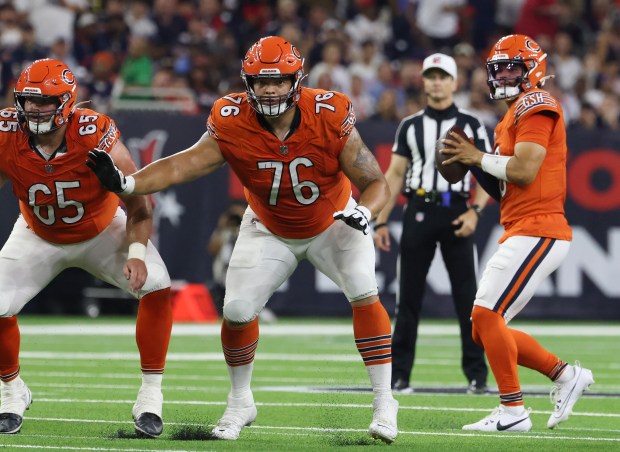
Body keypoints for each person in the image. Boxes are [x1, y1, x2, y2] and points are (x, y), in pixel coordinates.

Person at [87, 36, 399, 443]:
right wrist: (130, 182)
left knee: (363, 290)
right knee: (235, 309)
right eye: (261, 81)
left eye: (279, 80)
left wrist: (365, 212)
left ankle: (383, 402)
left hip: (333, 219)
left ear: (296, 81)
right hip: (269, 225)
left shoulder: (329, 111)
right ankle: (240, 401)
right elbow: (187, 164)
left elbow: (375, 181)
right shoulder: (231, 116)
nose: (270, 89)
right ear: (247, 82)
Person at [0, 59, 172, 438]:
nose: (32, 110)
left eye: (44, 102)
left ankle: (150, 396)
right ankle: (12, 391)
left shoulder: (95, 133)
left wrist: (136, 255)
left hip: (101, 229)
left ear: (67, 103)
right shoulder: (7, 131)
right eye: (28, 101)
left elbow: (140, 204)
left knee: (157, 285)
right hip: (37, 233)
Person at [439, 34, 594, 432]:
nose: (505, 75)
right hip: (523, 227)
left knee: (486, 314)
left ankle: (513, 410)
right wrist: (472, 161)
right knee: (483, 328)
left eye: (513, 67)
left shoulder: (536, 104)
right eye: (499, 68)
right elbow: (505, 186)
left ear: (533, 70)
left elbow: (525, 170)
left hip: (540, 228)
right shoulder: (510, 117)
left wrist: (477, 156)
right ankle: (563, 375)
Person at [373, 53, 490, 395]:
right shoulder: (409, 125)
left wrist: (475, 212)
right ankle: (400, 375)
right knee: (407, 298)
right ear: (423, 81)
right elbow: (395, 174)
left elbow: (486, 173)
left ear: (454, 82)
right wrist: (381, 220)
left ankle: (476, 375)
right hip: (419, 208)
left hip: (456, 210)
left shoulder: (471, 124)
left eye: (443, 76)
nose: (436, 82)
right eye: (431, 76)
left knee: (467, 298)